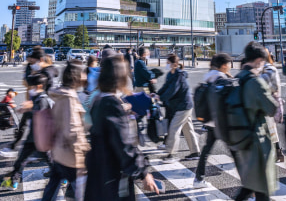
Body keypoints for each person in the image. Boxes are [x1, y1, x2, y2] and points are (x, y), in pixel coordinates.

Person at [85, 54, 160, 200]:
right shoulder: (112, 105)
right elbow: (124, 145)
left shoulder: (99, 100)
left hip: (99, 174)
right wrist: (143, 172)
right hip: (113, 178)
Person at [233, 41, 279, 201]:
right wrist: (273, 94)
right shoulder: (255, 82)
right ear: (259, 60)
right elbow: (272, 109)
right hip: (257, 141)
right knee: (261, 185)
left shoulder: (237, 78)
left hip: (240, 138)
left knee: (251, 185)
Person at [43, 60, 89, 201]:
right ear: (77, 76)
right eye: (83, 73)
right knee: (83, 193)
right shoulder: (69, 98)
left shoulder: (61, 94)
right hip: (70, 155)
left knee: (52, 188)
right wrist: (84, 150)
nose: (85, 76)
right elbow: (72, 129)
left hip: (58, 150)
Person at [1, 72, 52, 190]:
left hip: (42, 138)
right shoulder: (35, 99)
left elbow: (41, 116)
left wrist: (29, 110)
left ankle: (63, 177)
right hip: (32, 137)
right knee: (21, 160)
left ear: (39, 86)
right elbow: (25, 122)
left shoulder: (43, 100)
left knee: (50, 160)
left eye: (32, 87)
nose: (30, 89)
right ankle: (13, 180)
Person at [194, 53, 232, 188]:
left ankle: (198, 179)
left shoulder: (208, 77)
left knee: (206, 150)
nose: (230, 66)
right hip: (221, 122)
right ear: (223, 65)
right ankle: (250, 189)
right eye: (229, 63)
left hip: (210, 121)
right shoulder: (221, 79)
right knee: (237, 152)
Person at [157, 54, 200, 162]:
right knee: (188, 129)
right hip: (181, 106)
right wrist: (157, 94)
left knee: (174, 129)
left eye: (168, 63)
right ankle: (195, 152)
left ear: (175, 64)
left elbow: (172, 90)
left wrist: (160, 97)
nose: (166, 65)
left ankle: (171, 154)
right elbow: (166, 86)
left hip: (183, 106)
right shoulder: (170, 74)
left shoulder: (179, 76)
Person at [261, 51, 285, 163]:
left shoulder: (267, 69)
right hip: (270, 104)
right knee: (271, 130)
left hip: (266, 105)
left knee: (268, 130)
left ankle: (274, 153)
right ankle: (278, 153)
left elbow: (265, 87)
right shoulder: (270, 68)